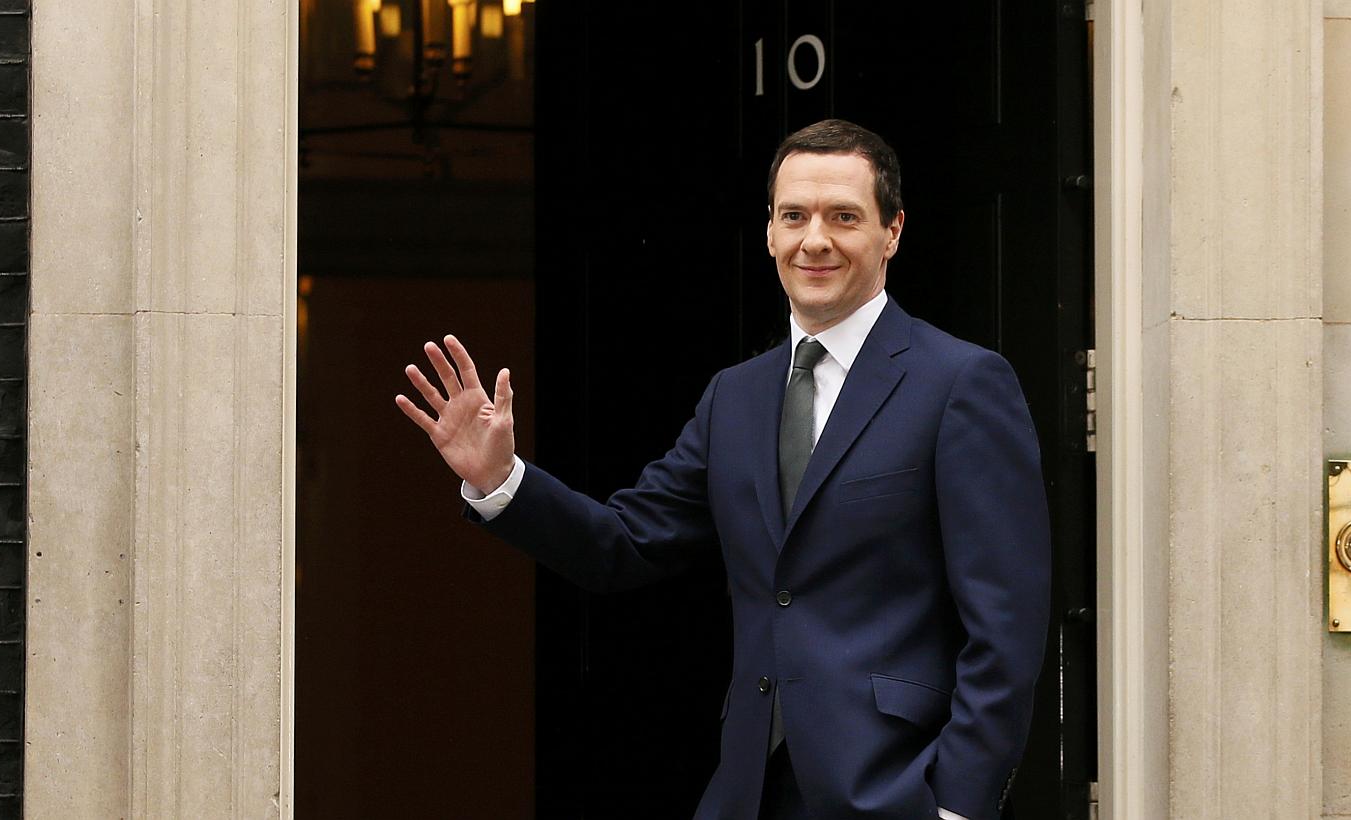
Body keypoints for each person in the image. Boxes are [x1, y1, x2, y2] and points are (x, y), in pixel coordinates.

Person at [396, 119, 1050, 820]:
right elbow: (622, 545)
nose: (815, 239)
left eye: (844, 217)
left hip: (897, 792)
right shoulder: (733, 398)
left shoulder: (961, 383)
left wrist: (956, 806)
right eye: (794, 216)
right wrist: (502, 480)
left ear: (892, 231)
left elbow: (1006, 629)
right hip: (747, 794)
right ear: (769, 232)